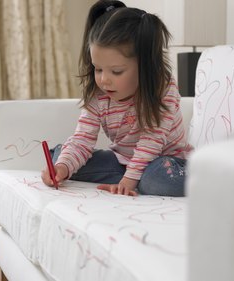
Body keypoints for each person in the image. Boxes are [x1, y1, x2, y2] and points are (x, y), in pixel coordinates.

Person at [41, 0, 193, 196]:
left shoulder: (162, 88)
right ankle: (131, 176)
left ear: (145, 66)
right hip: (123, 162)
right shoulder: (98, 95)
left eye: (116, 71)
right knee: (61, 157)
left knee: (153, 179)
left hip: (165, 161)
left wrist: (129, 180)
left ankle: (206, 179)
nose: (104, 80)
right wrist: (62, 167)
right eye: (98, 69)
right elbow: (82, 140)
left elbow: (152, 140)